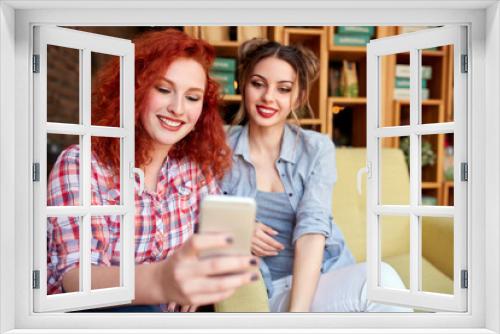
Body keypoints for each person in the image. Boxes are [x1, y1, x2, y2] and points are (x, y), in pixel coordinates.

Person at [46, 29, 259, 313]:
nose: (178, 108)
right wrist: (163, 280)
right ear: (135, 91)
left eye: (193, 97)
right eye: (163, 89)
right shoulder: (81, 165)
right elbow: (76, 277)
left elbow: (215, 249)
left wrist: (205, 279)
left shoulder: (195, 172)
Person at [221, 39, 411, 312]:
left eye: (283, 89)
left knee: (383, 281)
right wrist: (235, 229)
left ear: (297, 97)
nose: (268, 97)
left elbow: (313, 227)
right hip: (266, 288)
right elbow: (193, 209)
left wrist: (296, 318)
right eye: (258, 83)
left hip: (322, 279)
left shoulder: (316, 147)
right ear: (243, 85)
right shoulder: (219, 146)